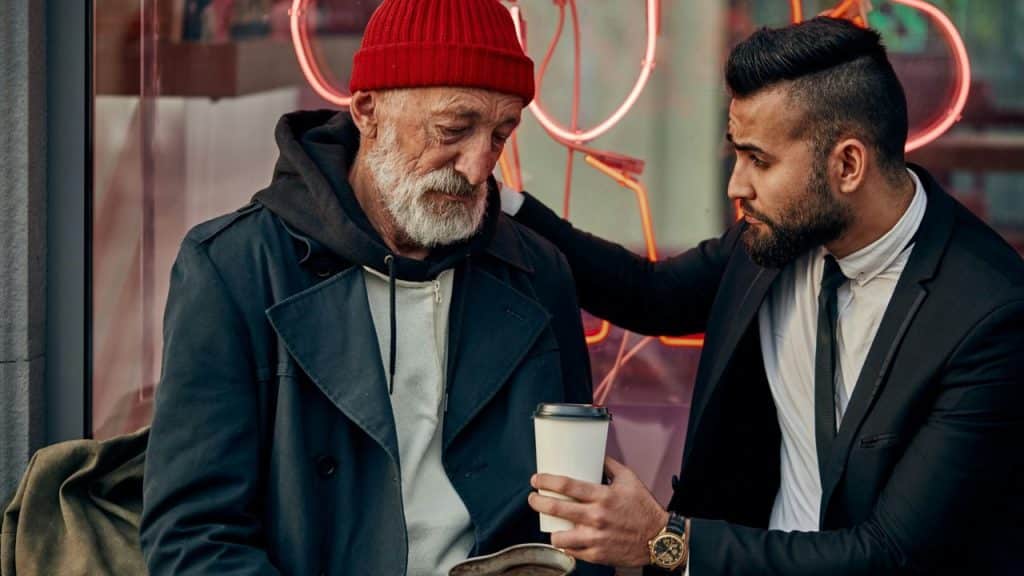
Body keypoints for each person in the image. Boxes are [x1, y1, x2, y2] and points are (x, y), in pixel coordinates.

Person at [505, 17, 1024, 575]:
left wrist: (666, 540)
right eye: (736, 155)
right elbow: (651, 294)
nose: (735, 185)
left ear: (847, 164)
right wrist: (503, 205)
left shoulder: (989, 315)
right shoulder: (777, 237)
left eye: (760, 160)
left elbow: (889, 555)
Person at [139, 1, 612, 574]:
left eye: (500, 135)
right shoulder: (235, 269)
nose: (477, 166)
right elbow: (192, 539)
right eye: (453, 130)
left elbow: (582, 524)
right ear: (368, 110)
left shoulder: (538, 274)